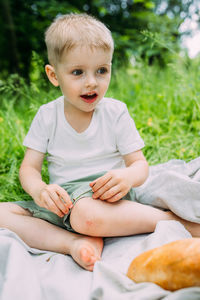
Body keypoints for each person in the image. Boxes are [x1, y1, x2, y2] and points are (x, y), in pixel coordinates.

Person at [0, 13, 200, 272]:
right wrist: (40, 191)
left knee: (87, 215)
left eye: (101, 70)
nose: (91, 82)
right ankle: (73, 243)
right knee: (3, 213)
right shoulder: (47, 115)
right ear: (53, 75)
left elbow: (139, 165)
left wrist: (126, 177)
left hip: (105, 197)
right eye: (77, 72)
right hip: (64, 203)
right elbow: (29, 168)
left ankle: (172, 221)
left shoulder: (115, 112)